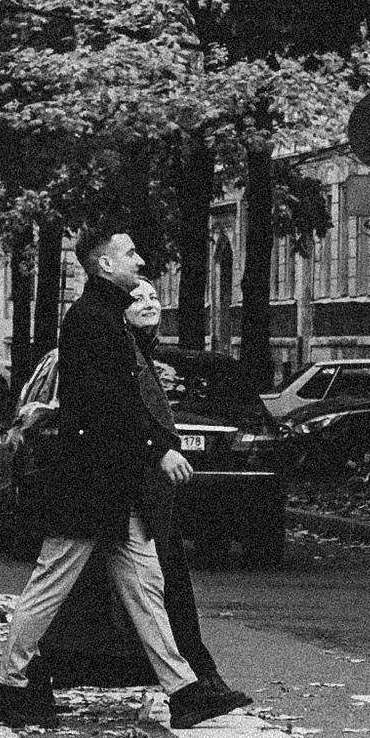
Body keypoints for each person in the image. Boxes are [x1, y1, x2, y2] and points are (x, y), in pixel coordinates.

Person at [0, 229, 243, 732]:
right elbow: (111, 404)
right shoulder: (92, 320)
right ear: (103, 264)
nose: (140, 259)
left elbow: (125, 397)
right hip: (88, 481)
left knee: (146, 585)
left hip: (112, 480)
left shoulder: (106, 317)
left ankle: (184, 690)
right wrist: (159, 449)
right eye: (129, 254)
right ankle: (9, 686)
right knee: (51, 583)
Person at [118, 277, 245, 700]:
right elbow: (127, 413)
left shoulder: (146, 353)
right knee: (155, 585)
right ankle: (194, 681)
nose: (149, 303)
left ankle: (194, 679)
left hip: (147, 490)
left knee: (160, 585)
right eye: (138, 298)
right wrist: (158, 451)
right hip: (132, 487)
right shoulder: (125, 352)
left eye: (154, 296)